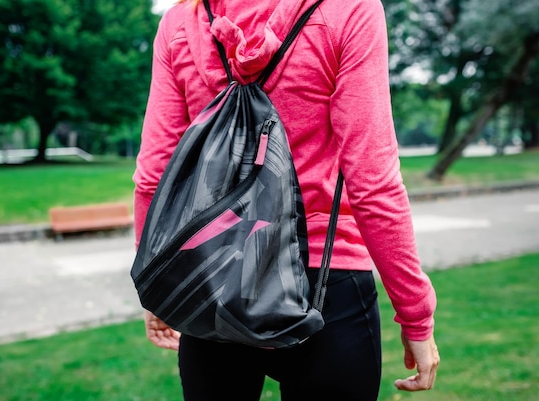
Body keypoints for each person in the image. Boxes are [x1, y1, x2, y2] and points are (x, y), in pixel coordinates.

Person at [132, 0, 440, 399]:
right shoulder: (349, 10)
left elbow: (154, 174)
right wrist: (415, 314)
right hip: (325, 282)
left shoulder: (181, 21)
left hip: (212, 281)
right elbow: (372, 181)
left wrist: (160, 281)